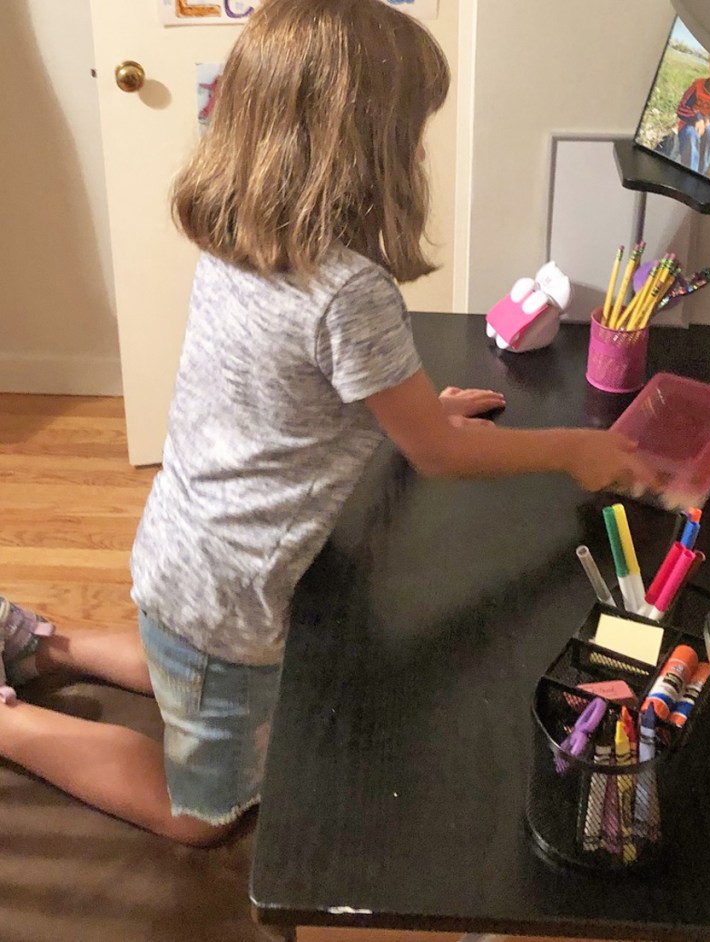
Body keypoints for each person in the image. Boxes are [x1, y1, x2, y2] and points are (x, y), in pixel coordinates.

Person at [0, 0, 659, 847]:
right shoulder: (352, 291)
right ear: (360, 147)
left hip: (187, 556)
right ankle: (12, 722)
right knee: (202, 812)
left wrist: (416, 408)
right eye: (411, 129)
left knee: (204, 680)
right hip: (230, 597)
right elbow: (439, 455)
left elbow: (289, 394)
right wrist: (577, 449)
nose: (422, 148)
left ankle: (45, 649)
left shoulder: (241, 234)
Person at [675, 58, 710, 174]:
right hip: (689, 123)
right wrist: (698, 118)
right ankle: (688, 174)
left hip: (709, 126)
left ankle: (700, 174)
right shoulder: (698, 86)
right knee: (691, 135)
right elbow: (682, 108)